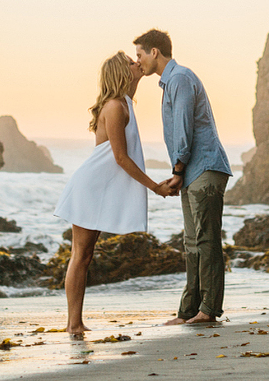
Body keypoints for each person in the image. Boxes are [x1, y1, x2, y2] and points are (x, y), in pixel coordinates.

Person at [53, 51, 176, 336]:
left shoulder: (125, 104)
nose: (137, 63)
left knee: (84, 255)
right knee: (80, 255)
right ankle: (73, 324)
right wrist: (155, 187)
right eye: (131, 62)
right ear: (122, 73)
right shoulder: (115, 107)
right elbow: (121, 158)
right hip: (90, 189)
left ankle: (76, 322)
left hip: (98, 189)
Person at [133, 29, 232, 325]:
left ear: (154, 52)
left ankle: (209, 310)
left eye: (139, 55)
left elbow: (184, 129)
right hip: (192, 171)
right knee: (192, 242)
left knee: (206, 240)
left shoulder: (180, 79)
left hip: (205, 168)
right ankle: (189, 311)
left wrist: (177, 170)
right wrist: (179, 172)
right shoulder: (171, 83)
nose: (138, 62)